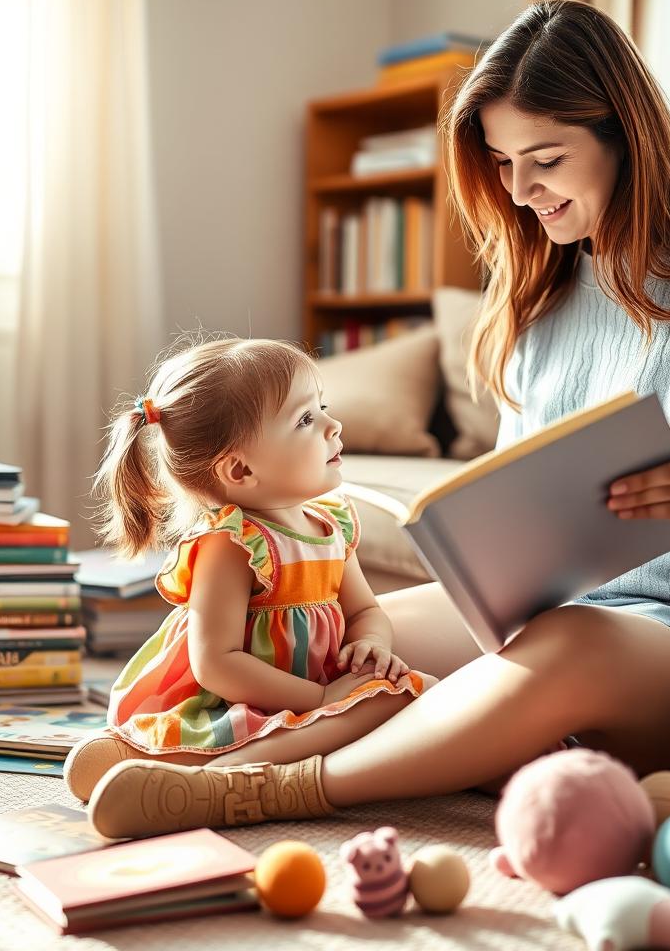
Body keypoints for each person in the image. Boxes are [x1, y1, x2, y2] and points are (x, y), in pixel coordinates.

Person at [84, 0, 670, 840]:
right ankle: (168, 750)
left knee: (569, 643)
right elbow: (529, 509)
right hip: (538, 619)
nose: (519, 191)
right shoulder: (540, 297)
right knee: (342, 633)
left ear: (627, 136)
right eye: (503, 161)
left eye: (545, 159)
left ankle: (273, 787)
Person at [63, 337, 434, 806]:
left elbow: (365, 610)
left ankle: (240, 768)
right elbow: (216, 662)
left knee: (415, 691)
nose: (333, 424)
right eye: (305, 419)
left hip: (314, 695)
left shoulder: (332, 524)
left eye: (322, 407)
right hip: (235, 704)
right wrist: (318, 702)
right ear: (239, 470)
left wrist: (371, 646)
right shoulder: (233, 544)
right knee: (414, 699)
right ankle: (227, 771)